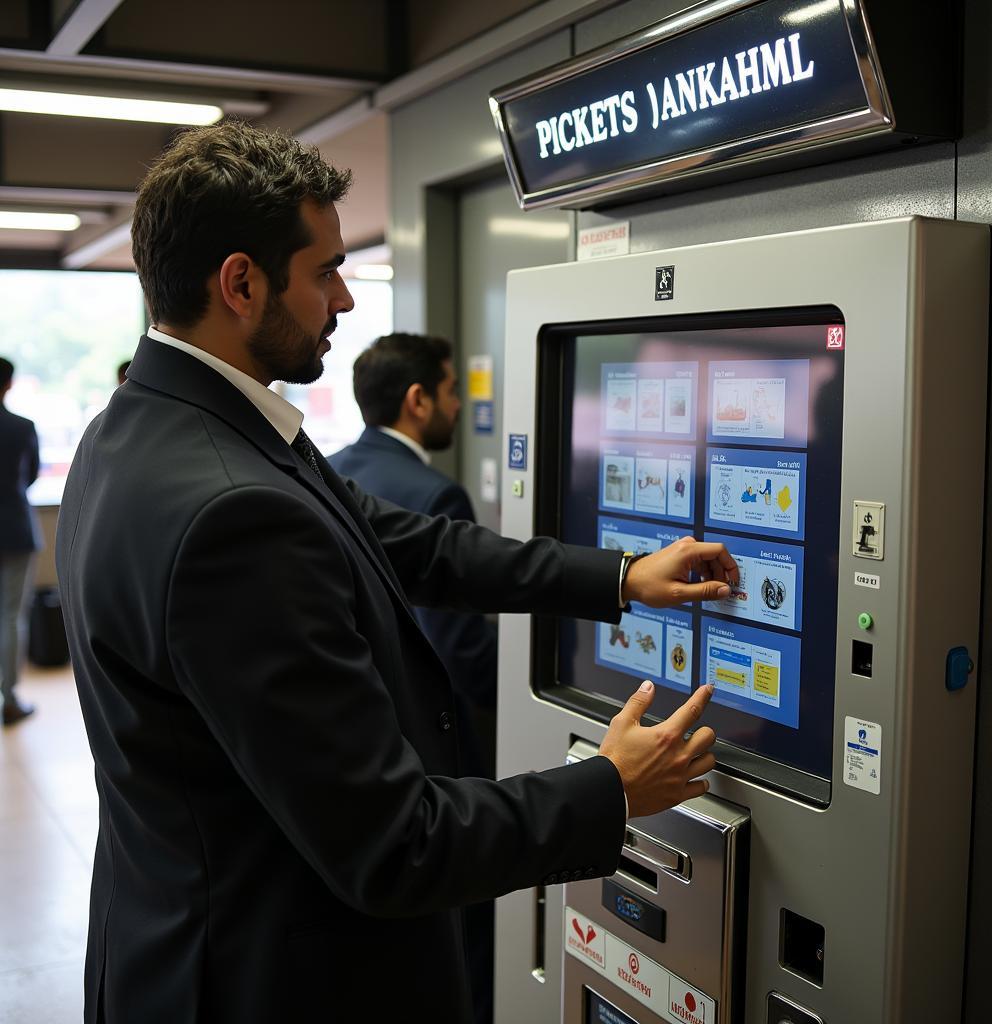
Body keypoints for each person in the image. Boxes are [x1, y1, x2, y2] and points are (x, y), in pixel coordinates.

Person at [55, 121, 738, 1024]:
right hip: (272, 976)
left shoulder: (141, 431)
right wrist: (608, 787)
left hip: (171, 936)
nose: (343, 299)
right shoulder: (232, 511)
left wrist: (619, 577)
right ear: (240, 282)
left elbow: (409, 543)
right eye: (325, 271)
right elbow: (392, 845)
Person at [328, 333, 499, 1024]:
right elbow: (460, 647)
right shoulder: (435, 492)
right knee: (467, 931)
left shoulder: (331, 472)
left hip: (365, 742)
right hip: (435, 756)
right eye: (454, 391)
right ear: (417, 399)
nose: (461, 405)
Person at [0, 357, 41, 726]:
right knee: (12, 615)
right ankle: (9, 697)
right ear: (9, 384)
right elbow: (29, 475)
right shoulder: (21, 426)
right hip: (14, 526)